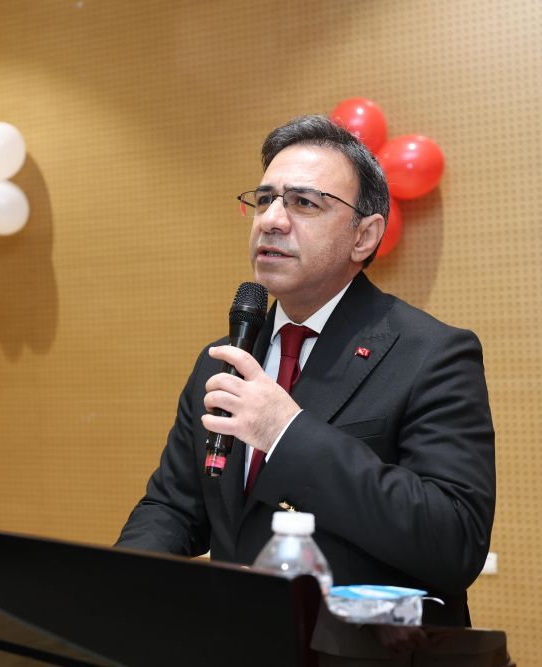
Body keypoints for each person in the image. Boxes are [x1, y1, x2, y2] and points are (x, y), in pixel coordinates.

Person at [116, 115, 495, 627]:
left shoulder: (431, 353)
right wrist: (119, 588)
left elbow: (454, 541)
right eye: (264, 199)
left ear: (364, 236)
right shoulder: (225, 357)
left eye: (304, 203)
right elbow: (175, 507)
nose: (271, 220)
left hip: (370, 652)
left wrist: (286, 433)